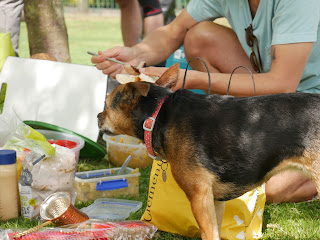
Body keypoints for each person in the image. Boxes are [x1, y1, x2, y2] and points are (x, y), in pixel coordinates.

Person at [92, 0, 320, 203]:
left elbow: (283, 84)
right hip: (271, 102)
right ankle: (241, 135)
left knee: (266, 188)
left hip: (310, 108)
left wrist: (193, 79)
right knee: (199, 36)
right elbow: (174, 30)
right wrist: (136, 52)